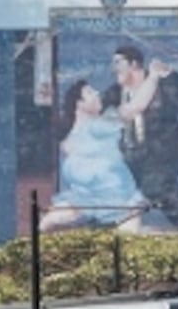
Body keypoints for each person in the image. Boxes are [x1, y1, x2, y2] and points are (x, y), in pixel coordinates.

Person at [102, 45, 178, 230]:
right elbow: (102, 111)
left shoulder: (162, 83)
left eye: (118, 63)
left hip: (164, 149)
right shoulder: (116, 92)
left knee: (158, 186)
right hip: (132, 153)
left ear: (134, 64)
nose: (114, 68)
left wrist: (170, 74)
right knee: (114, 192)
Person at [40, 78, 154, 233]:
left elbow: (136, 107)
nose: (97, 94)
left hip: (118, 200)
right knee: (46, 225)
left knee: (127, 243)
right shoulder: (72, 134)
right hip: (84, 198)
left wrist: (153, 77)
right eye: (89, 92)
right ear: (79, 103)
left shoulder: (102, 125)